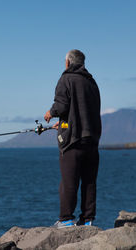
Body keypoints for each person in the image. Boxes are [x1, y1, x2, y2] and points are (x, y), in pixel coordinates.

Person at [44, 49, 101, 228]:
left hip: (73, 141)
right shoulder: (92, 82)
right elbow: (81, 112)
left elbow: (62, 106)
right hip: (91, 140)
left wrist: (50, 114)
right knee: (89, 182)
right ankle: (87, 219)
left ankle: (66, 219)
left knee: (69, 181)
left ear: (68, 62)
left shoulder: (66, 79)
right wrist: (62, 124)